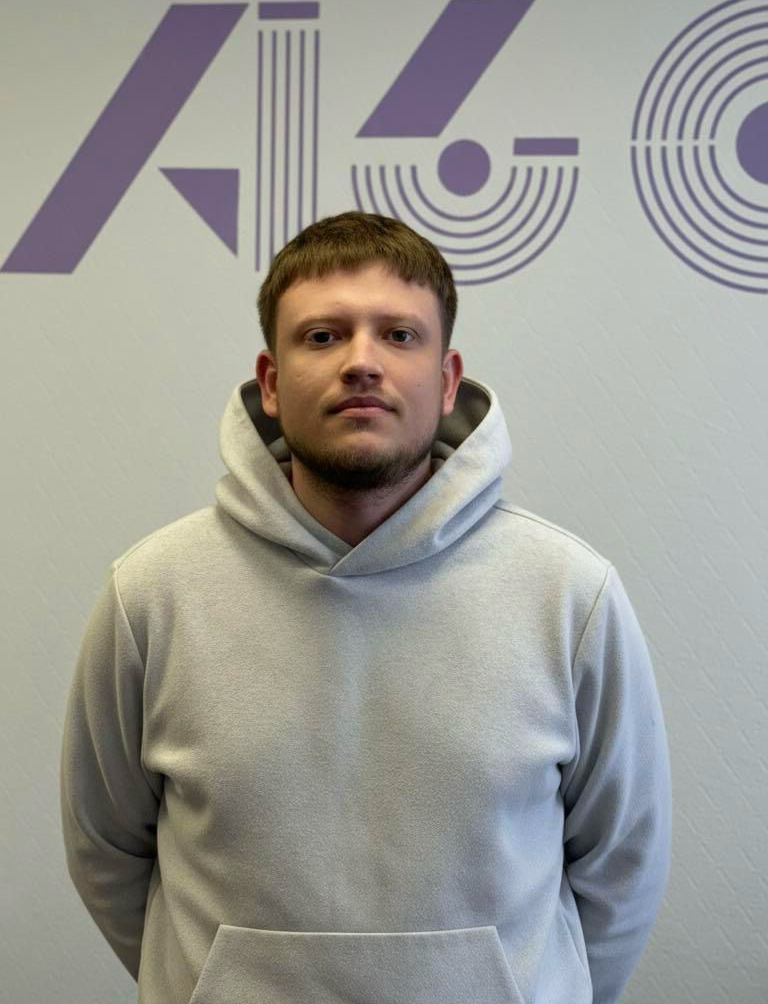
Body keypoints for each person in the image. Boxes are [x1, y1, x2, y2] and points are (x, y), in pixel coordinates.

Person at [60, 211, 672, 1004]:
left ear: (446, 380)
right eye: (322, 336)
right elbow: (104, 848)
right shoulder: (151, 593)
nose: (360, 362)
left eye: (399, 335)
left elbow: (624, 863)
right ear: (270, 382)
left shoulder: (569, 595)